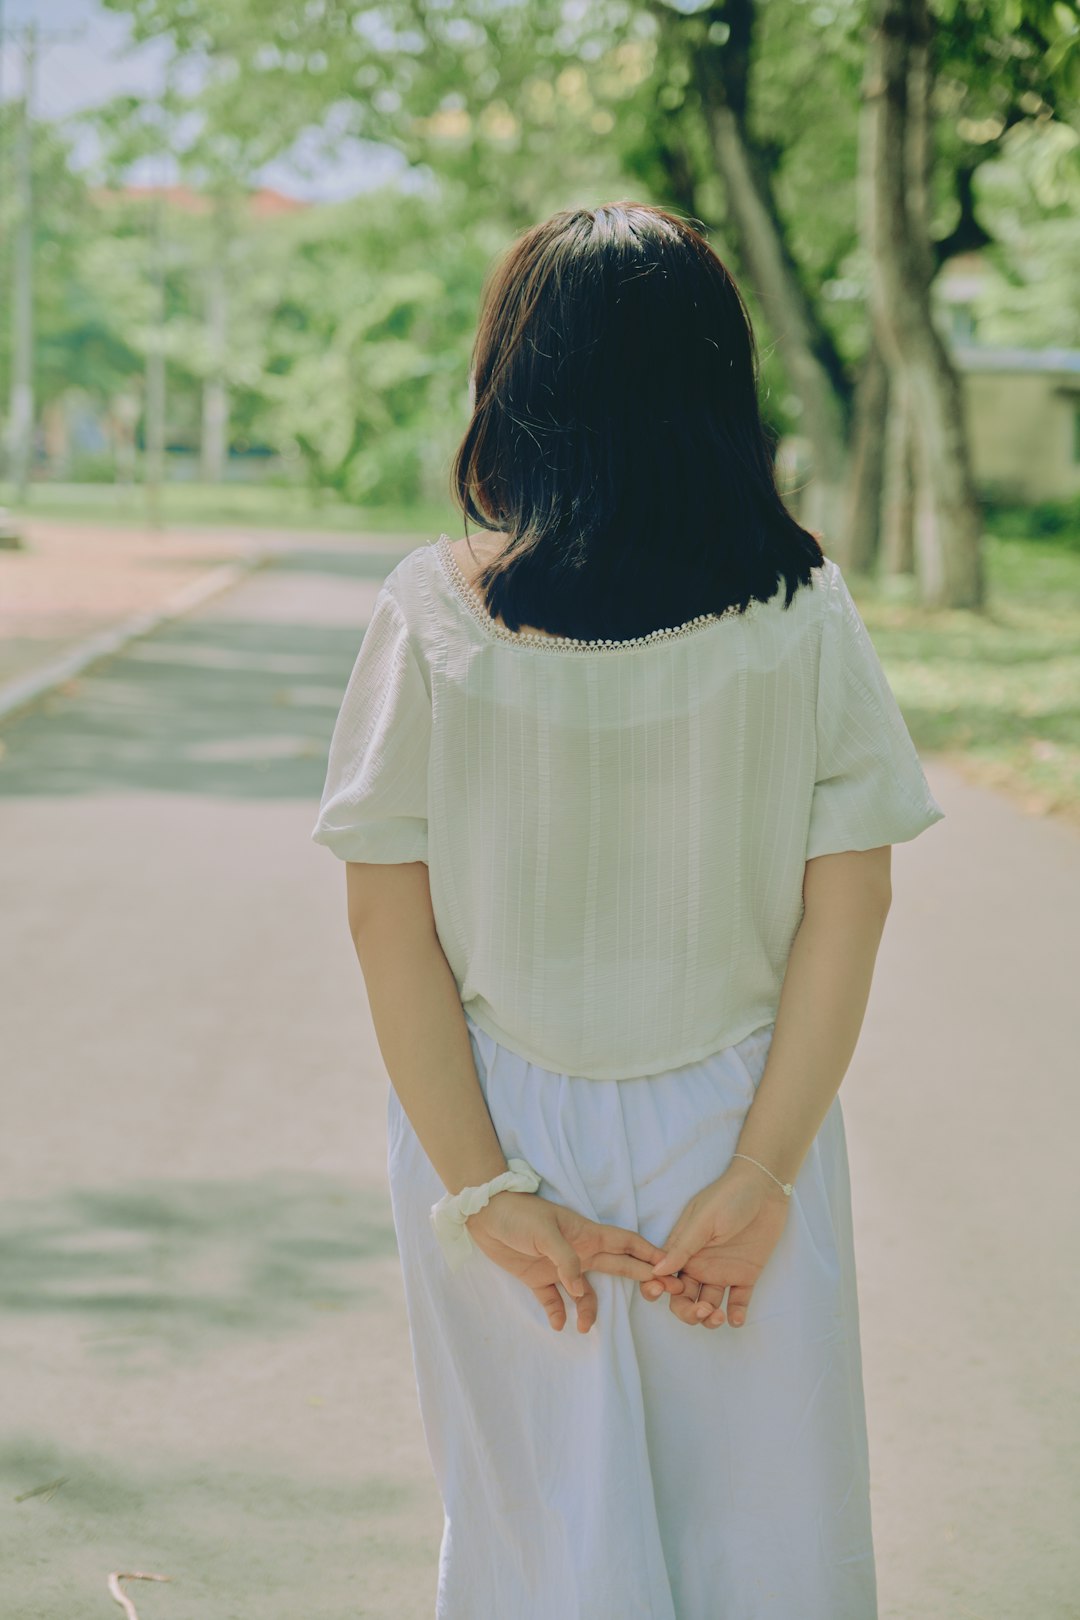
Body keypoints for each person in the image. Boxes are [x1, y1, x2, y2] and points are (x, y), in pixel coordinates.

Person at [311, 201, 946, 1620]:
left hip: (491, 1111)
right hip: (739, 1108)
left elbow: (385, 926)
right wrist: (764, 1172)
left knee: (538, 1530)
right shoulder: (803, 613)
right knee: (766, 1533)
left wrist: (482, 1185)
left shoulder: (432, 615)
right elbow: (855, 904)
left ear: (515, 384)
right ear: (719, 382)